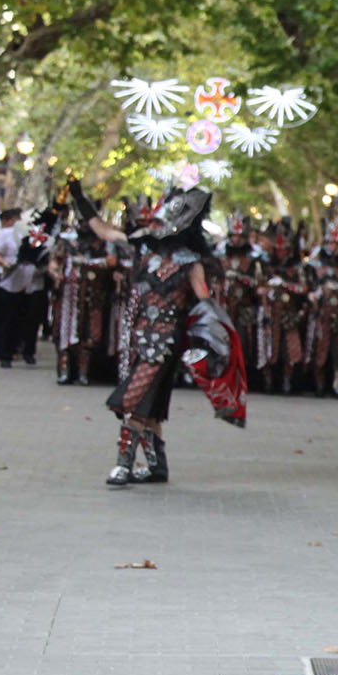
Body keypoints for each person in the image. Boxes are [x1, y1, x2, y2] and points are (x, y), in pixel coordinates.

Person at [78, 182, 241, 487]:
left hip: (165, 341)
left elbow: (204, 302)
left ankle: (123, 465)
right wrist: (78, 198)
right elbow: (105, 231)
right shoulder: (143, 247)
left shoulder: (191, 263)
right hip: (139, 338)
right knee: (151, 404)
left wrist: (212, 343)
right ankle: (156, 468)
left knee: (135, 399)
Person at [0, 208, 40, 368]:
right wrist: (6, 264)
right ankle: (4, 352)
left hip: (32, 278)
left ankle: (28, 351)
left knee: (31, 317)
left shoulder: (35, 233)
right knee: (7, 317)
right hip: (9, 278)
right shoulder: (4, 234)